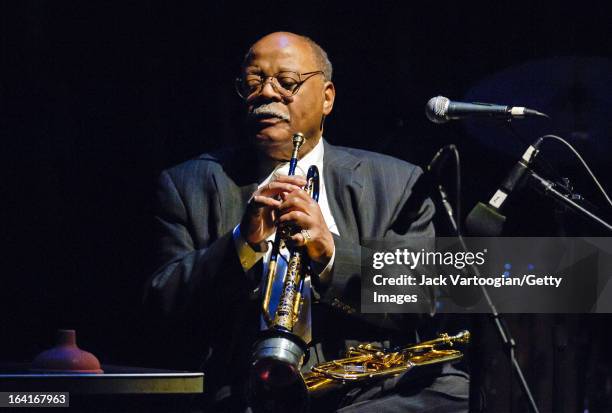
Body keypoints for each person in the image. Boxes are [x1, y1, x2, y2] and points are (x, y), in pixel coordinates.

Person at [145, 31, 469, 412]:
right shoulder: (187, 184)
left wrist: (332, 254)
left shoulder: (398, 182)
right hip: (248, 391)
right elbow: (161, 306)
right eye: (252, 83)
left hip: (375, 387)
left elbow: (421, 297)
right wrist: (240, 244)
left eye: (286, 83)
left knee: (464, 394)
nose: (266, 94)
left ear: (327, 97)